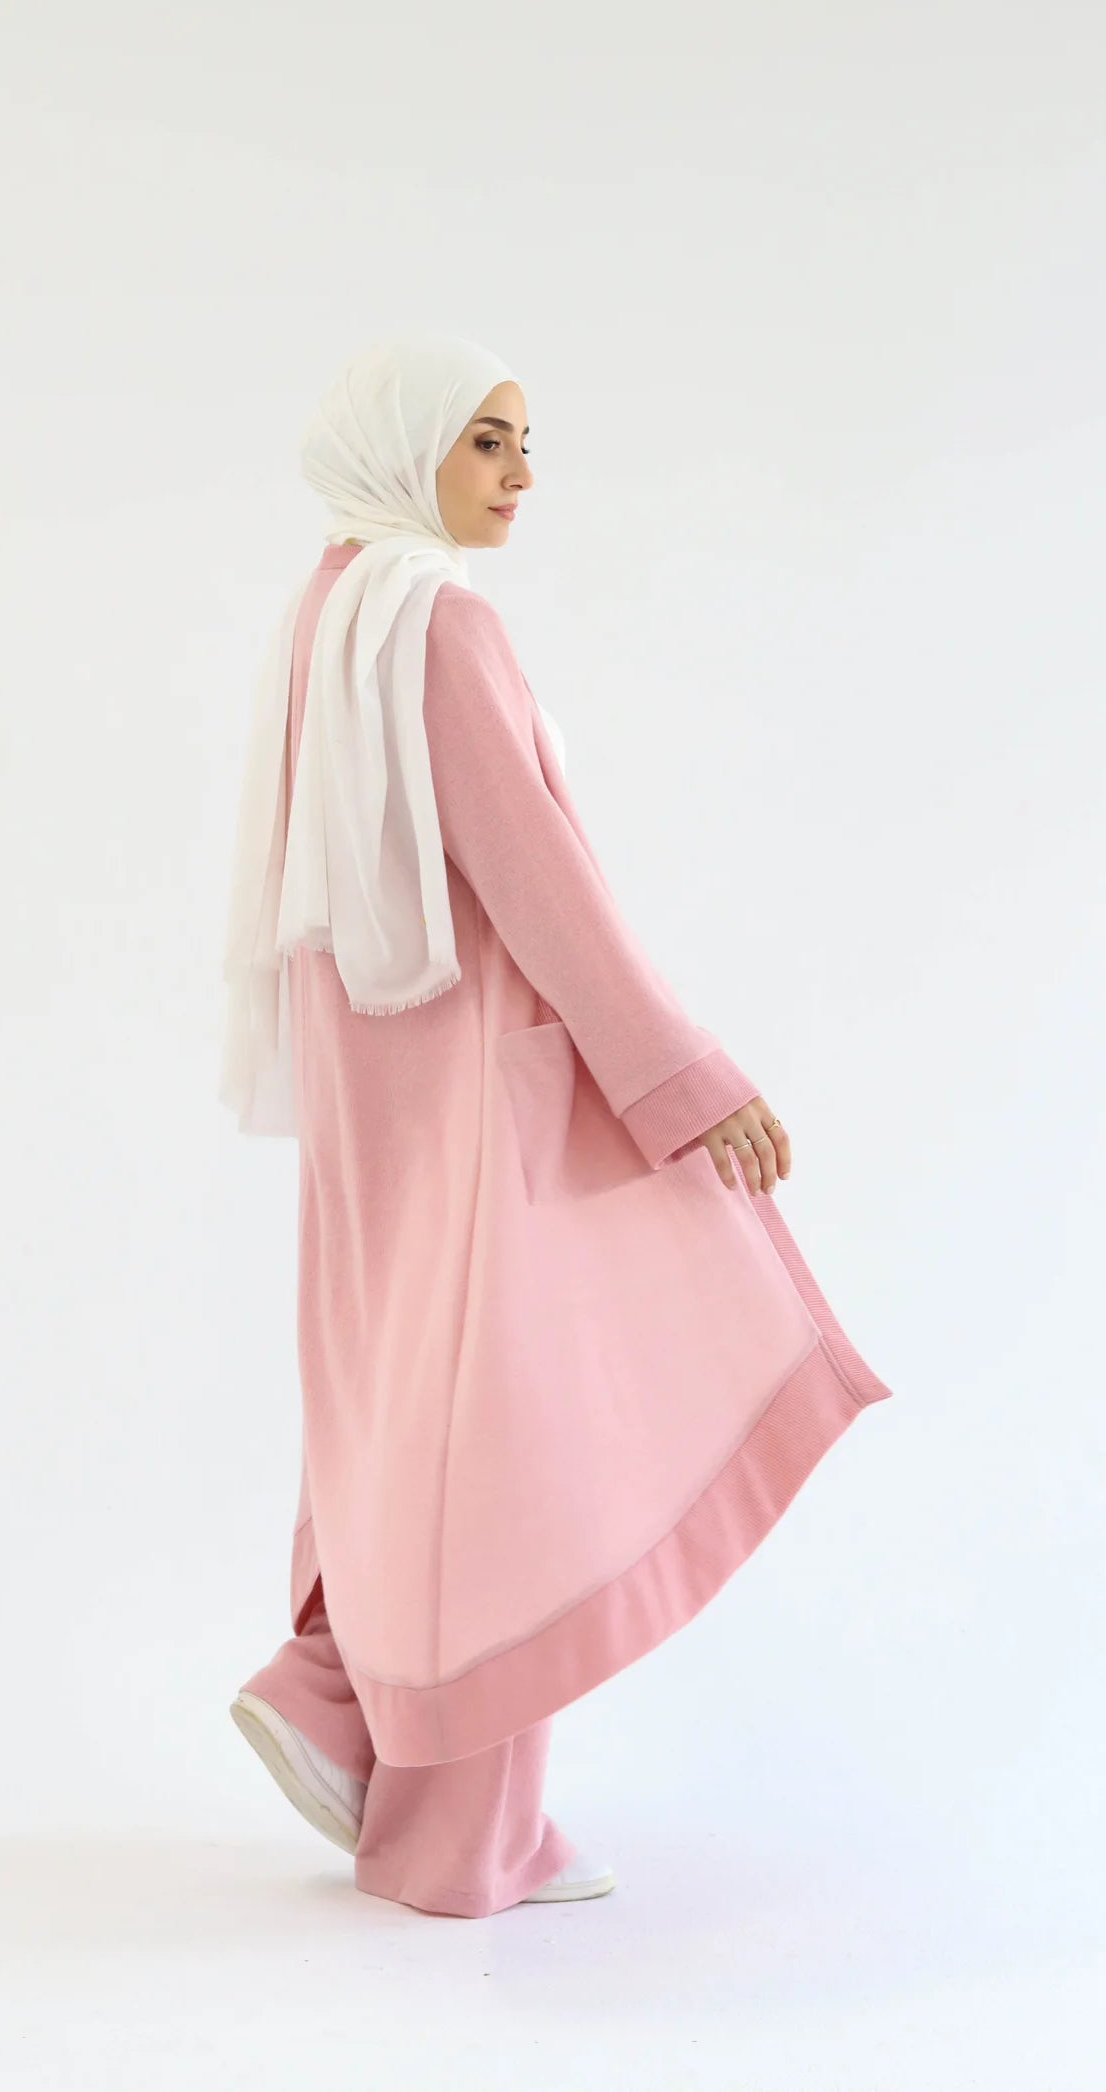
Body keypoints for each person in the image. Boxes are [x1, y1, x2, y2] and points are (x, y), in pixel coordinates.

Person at [218, 333, 893, 1920]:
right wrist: (683, 1077)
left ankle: (332, 1692)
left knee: (400, 1401)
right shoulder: (439, 621)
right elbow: (538, 877)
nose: (522, 475)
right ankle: (460, 1837)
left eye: (526, 443)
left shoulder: (332, 607)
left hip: (376, 1088)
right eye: (487, 442)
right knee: (507, 1439)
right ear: (406, 447)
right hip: (475, 1084)